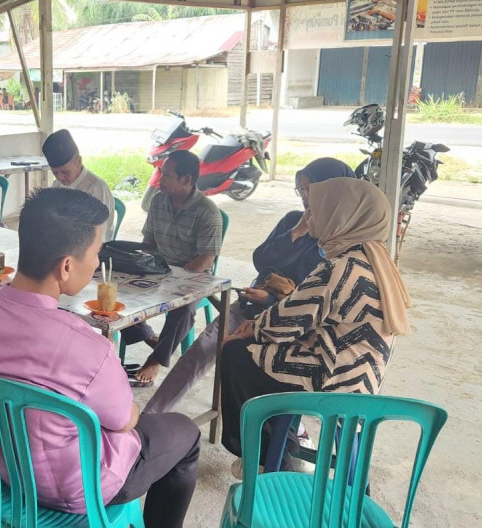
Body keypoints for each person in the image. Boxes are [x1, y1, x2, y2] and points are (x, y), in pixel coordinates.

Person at [0, 189, 200, 527]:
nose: (97, 263)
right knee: (185, 432)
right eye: (96, 253)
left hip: (6, 474)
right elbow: (125, 422)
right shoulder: (87, 346)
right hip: (82, 491)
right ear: (67, 266)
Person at [220, 178, 409, 470]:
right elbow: (304, 311)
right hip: (362, 377)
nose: (309, 217)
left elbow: (287, 321)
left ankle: (262, 454)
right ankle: (283, 444)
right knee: (259, 347)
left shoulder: (338, 267)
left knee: (236, 353)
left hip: (332, 377)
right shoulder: (374, 257)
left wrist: (252, 328)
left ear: (341, 215)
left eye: (316, 210)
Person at [144, 158, 356, 414]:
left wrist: (270, 300)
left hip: (293, 326)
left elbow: (315, 299)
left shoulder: (341, 243)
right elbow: (261, 260)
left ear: (332, 192)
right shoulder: (293, 220)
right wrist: (296, 232)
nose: (305, 198)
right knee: (199, 351)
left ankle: (287, 426)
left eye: (310, 190)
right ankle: (149, 417)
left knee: (258, 375)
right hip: (251, 307)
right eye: (301, 190)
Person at [122, 150, 223, 385]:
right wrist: (143, 265)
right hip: (159, 268)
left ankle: (157, 358)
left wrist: (174, 278)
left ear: (186, 179)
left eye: (166, 175)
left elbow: (205, 260)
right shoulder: (158, 201)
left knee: (183, 307)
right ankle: (148, 335)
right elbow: (148, 242)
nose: (159, 179)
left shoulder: (207, 212)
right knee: (120, 289)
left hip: (193, 275)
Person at [42, 128, 115, 241]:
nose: (60, 178)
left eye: (65, 172)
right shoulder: (57, 185)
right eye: (55, 173)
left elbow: (98, 235)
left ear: (79, 162)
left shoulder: (96, 187)